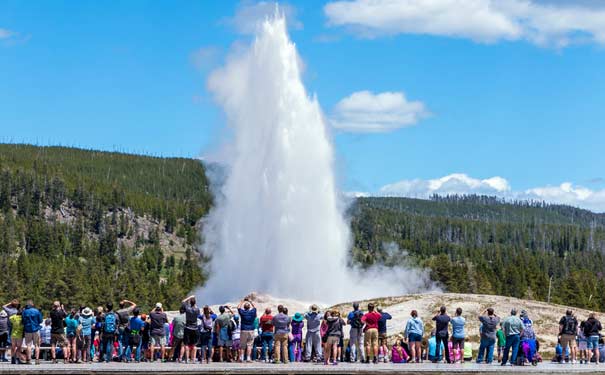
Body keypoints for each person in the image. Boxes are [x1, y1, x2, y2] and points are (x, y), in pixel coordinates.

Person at [22, 300, 43, 365]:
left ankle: (29, 360)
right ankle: (37, 360)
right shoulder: (37, 311)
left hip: (27, 330)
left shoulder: (24, 312)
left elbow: (22, 321)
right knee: (37, 345)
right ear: (32, 304)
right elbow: (41, 320)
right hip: (36, 330)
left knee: (28, 345)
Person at [237, 298, 257, 362]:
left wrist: (242, 301)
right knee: (249, 345)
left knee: (242, 345)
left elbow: (238, 307)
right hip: (251, 329)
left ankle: (241, 358)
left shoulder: (242, 312)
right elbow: (255, 307)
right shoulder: (252, 312)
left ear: (244, 307)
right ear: (249, 307)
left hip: (243, 329)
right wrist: (250, 301)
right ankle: (248, 358)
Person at [181, 296, 200, 363]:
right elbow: (197, 309)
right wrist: (194, 302)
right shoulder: (197, 309)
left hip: (188, 327)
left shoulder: (187, 308)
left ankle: (187, 359)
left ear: (190, 303)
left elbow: (183, 301)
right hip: (195, 328)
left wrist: (189, 297)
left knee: (186, 344)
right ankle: (193, 359)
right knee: (194, 345)